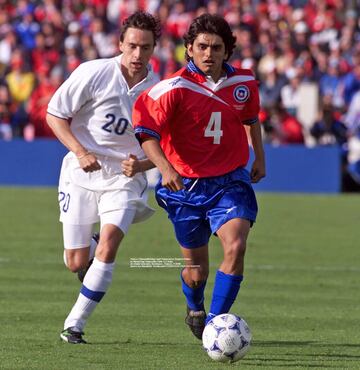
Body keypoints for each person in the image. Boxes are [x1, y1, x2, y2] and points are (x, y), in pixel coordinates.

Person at [132, 13, 266, 340]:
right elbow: (145, 132)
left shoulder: (244, 83)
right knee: (196, 272)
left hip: (230, 181)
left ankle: (217, 325)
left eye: (216, 47)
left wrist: (259, 156)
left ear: (226, 51)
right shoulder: (171, 88)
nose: (209, 53)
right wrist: (165, 168)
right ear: (189, 49)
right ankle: (195, 305)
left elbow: (251, 119)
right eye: (202, 46)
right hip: (186, 188)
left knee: (235, 245)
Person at [46, 11, 161, 344]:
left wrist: (141, 167)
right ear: (120, 43)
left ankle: (75, 325)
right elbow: (55, 115)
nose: (138, 55)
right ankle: (90, 248)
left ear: (155, 48)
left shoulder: (159, 90)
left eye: (146, 47)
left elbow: (167, 147)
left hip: (126, 176)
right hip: (81, 170)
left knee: (110, 245)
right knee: (75, 261)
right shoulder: (94, 72)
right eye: (133, 46)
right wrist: (81, 152)